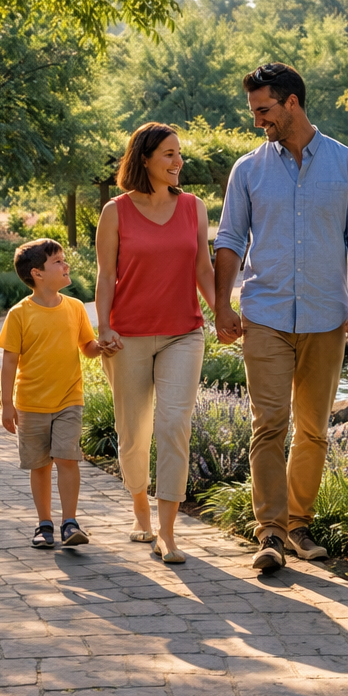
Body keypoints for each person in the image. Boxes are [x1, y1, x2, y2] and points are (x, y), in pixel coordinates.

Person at [213, 62, 348, 573]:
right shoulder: (248, 169)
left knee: (312, 428)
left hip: (326, 316)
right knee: (269, 424)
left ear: (291, 103)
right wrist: (222, 305)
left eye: (264, 109)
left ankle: (298, 524)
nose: (258, 120)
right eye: (254, 111)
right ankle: (269, 533)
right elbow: (229, 242)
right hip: (263, 314)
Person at [95, 123, 218, 564]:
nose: (178, 162)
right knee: (133, 434)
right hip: (126, 336)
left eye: (179, 154)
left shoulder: (193, 208)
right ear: (144, 158)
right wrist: (104, 326)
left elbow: (204, 268)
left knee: (173, 424)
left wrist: (222, 310)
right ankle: (140, 508)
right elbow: (106, 275)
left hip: (183, 332)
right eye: (169, 154)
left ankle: (168, 532)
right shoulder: (116, 211)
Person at [0, 238, 107, 550]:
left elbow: (87, 347)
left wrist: (101, 346)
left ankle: (69, 522)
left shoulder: (74, 308)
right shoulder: (20, 313)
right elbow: (9, 361)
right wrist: (7, 404)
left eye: (63, 259)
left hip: (68, 399)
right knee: (40, 464)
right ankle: (44, 523)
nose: (65, 265)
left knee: (66, 457)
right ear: (38, 274)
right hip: (31, 403)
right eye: (57, 261)